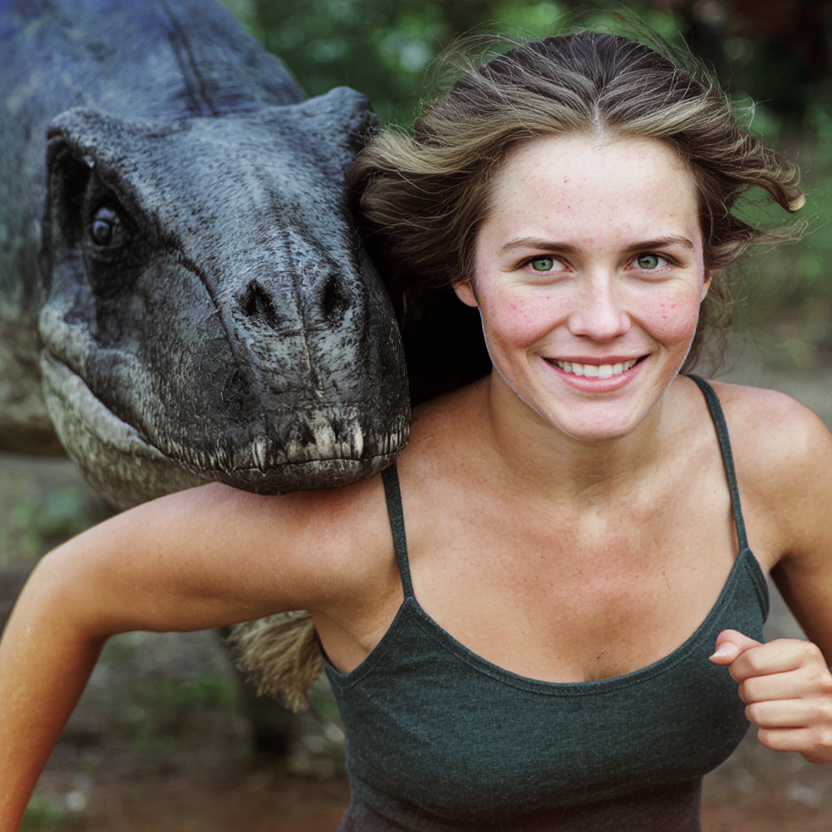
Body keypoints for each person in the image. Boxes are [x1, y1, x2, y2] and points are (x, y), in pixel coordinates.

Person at [2, 25, 832, 832]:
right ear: (463, 272)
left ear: (706, 263)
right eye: (543, 262)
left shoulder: (776, 462)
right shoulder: (361, 522)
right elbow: (68, 593)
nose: (602, 320)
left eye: (651, 258)